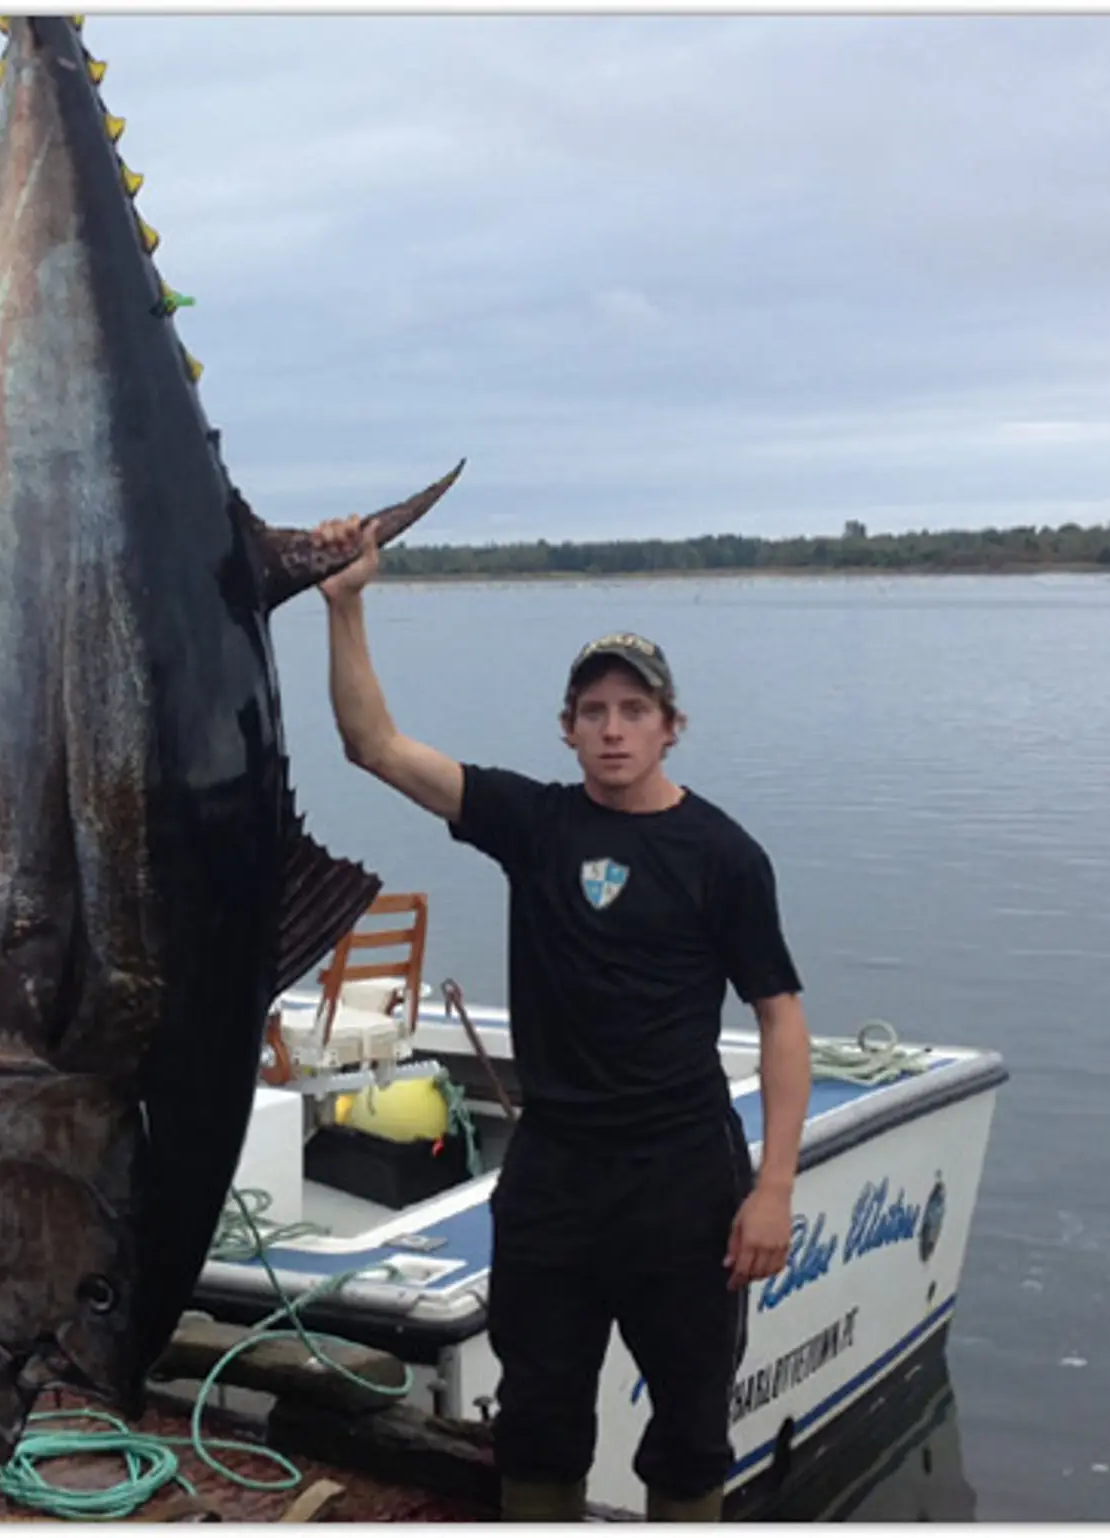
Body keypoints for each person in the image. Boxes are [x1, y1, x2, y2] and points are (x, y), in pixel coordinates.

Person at [313, 521, 810, 1524]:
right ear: (566, 727)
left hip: (681, 1177)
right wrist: (344, 603)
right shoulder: (532, 824)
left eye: (633, 709)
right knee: (537, 1418)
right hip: (554, 1172)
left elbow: (781, 1017)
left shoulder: (723, 854)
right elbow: (373, 745)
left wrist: (771, 1186)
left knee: (688, 1425)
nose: (613, 727)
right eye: (593, 710)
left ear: (671, 725)